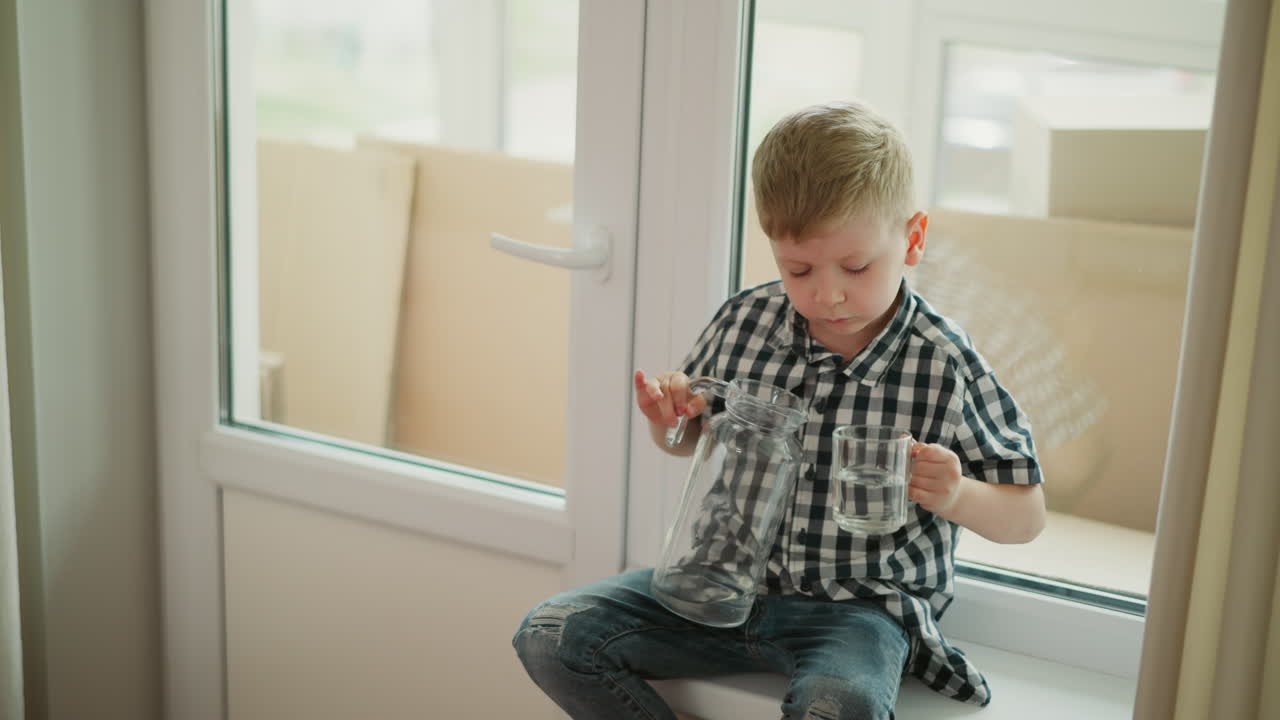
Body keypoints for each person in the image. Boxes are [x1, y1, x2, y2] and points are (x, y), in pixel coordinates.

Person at [512, 100, 1045, 720]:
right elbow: (690, 439)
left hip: (855, 610)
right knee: (551, 635)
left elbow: (1026, 516)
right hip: (717, 580)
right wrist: (670, 423)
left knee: (838, 706)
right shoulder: (745, 320)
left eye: (855, 265)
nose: (827, 293)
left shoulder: (944, 364)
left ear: (913, 240)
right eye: (797, 269)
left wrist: (954, 494)